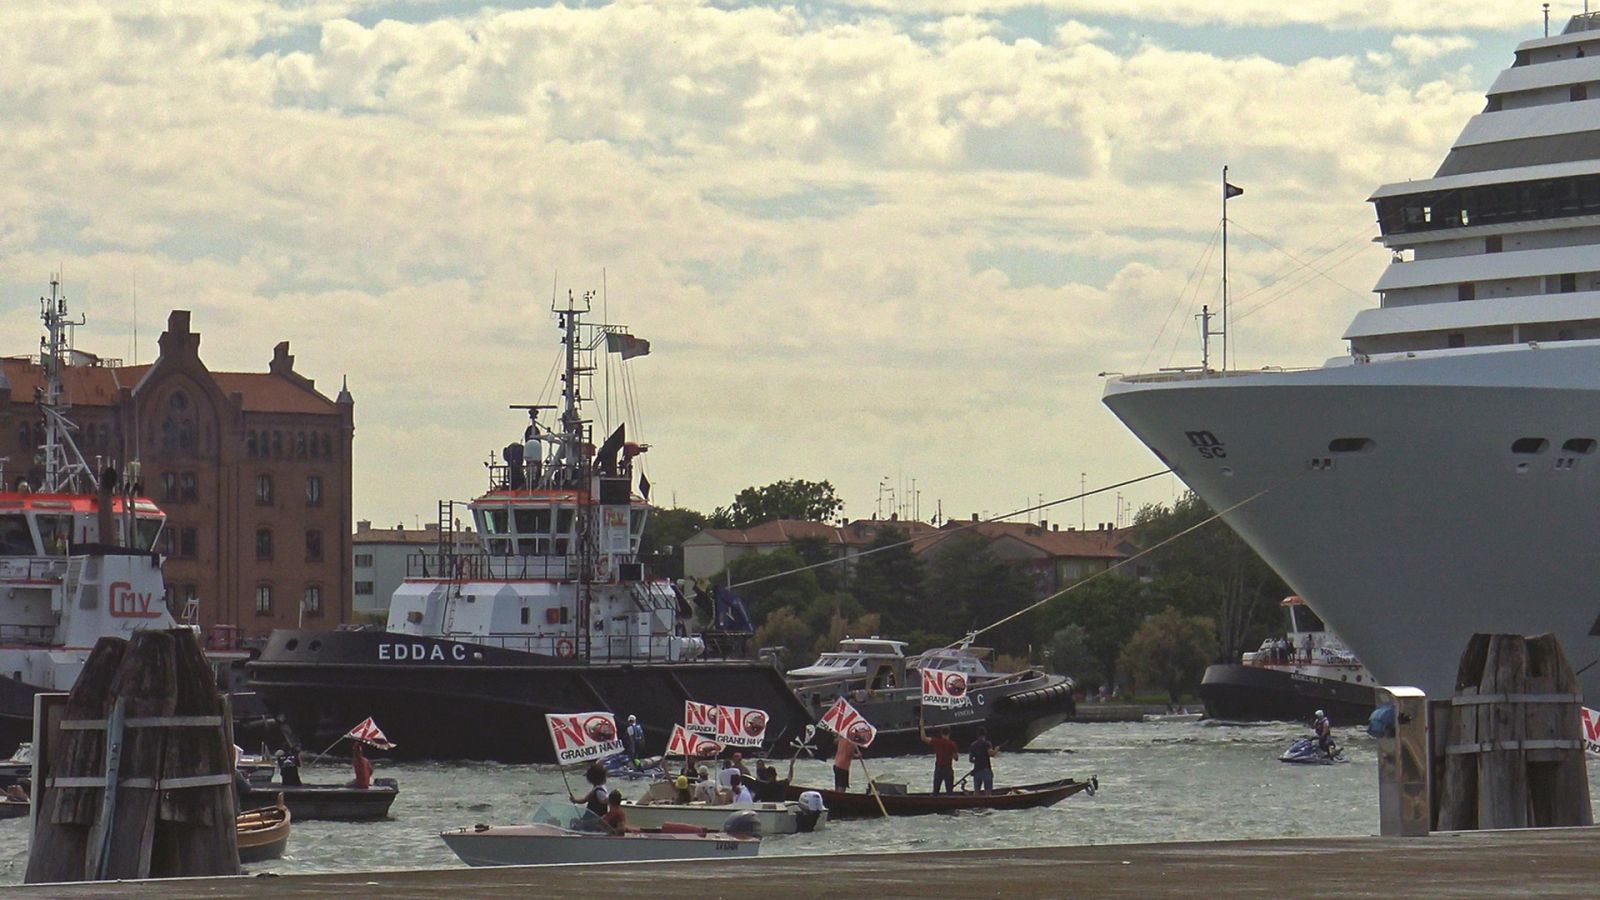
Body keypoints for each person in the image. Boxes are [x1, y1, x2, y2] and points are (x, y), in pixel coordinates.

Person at [921, 722, 959, 794]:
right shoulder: (952, 744)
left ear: (941, 733)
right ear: (949, 733)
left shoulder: (937, 742)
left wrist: (921, 726)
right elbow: (956, 758)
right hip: (948, 769)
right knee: (949, 792)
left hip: (939, 768)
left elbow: (923, 738)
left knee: (936, 791)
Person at [968, 726, 997, 793]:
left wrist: (978, 761)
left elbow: (970, 760)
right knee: (988, 791)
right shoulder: (987, 743)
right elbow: (991, 754)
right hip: (986, 770)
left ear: (977, 734)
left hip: (976, 771)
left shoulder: (973, 745)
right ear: (985, 734)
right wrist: (996, 750)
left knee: (976, 791)